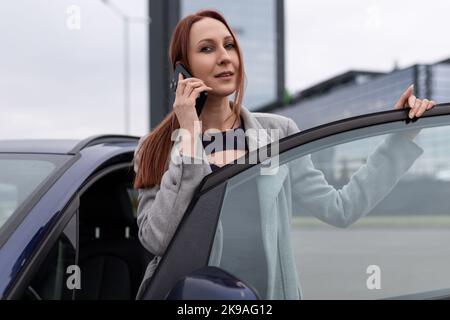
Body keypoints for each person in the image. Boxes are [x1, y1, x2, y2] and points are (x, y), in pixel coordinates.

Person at [133, 9, 436, 299]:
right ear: (182, 69)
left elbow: (341, 208)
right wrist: (189, 135)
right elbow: (158, 239)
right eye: (207, 49)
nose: (225, 57)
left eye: (230, 45)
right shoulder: (157, 148)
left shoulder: (277, 132)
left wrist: (401, 138)